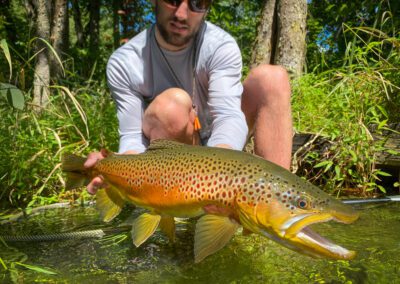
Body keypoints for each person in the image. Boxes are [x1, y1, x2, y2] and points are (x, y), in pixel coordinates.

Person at [85, 0, 293, 194]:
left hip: (220, 149)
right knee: (172, 107)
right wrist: (111, 167)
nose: (181, 14)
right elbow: (133, 138)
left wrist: (214, 170)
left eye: (197, 3)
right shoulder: (125, 62)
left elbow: (229, 116)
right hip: (170, 155)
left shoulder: (220, 46)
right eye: (172, 0)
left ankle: (280, 197)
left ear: (207, 7)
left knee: (272, 78)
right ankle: (178, 201)